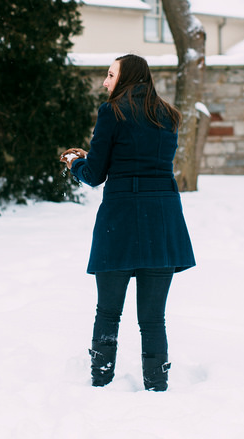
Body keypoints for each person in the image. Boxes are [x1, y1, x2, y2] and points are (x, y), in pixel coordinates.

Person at [60, 54, 195, 392]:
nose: (105, 83)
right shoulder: (169, 116)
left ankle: (101, 381)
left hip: (119, 222)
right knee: (153, 319)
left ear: (126, 77)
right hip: (162, 221)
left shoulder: (112, 112)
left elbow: (95, 174)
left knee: (108, 312)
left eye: (110, 75)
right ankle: (157, 385)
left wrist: (75, 162)